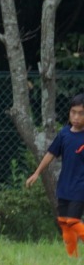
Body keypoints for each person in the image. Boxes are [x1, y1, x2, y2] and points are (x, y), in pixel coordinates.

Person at [25, 92, 84, 256]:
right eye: (73, 112)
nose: (76, 117)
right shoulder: (64, 134)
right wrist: (36, 173)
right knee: (64, 223)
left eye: (81, 113)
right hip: (64, 187)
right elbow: (51, 154)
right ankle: (72, 258)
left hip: (80, 188)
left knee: (73, 222)